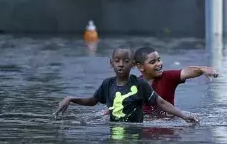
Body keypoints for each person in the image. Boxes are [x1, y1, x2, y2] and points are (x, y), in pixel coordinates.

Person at [55, 47, 199, 124]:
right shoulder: (107, 84)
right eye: (117, 60)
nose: (121, 64)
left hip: (136, 131)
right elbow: (92, 101)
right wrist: (71, 98)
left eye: (125, 61)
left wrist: (183, 116)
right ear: (111, 63)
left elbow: (160, 102)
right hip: (115, 131)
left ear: (133, 65)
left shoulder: (140, 84)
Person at [132, 46, 219, 116]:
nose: (159, 64)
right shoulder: (135, 84)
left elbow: (185, 72)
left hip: (168, 127)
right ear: (140, 67)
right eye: (152, 62)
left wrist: (202, 69)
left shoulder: (167, 77)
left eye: (159, 60)